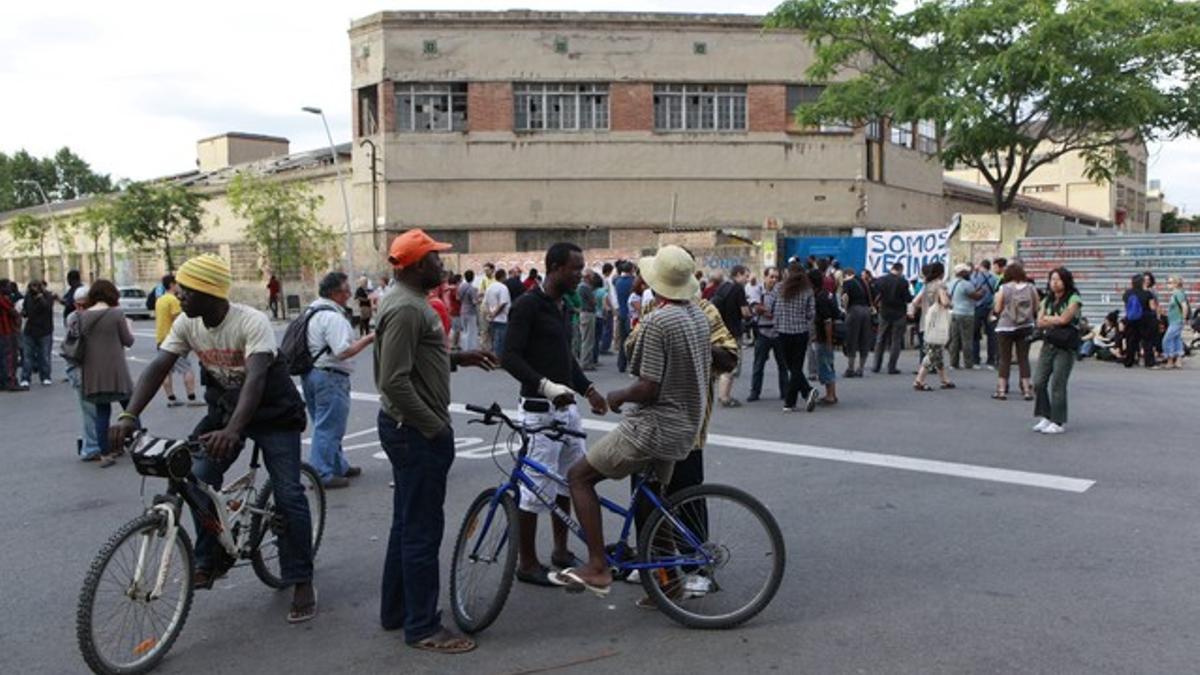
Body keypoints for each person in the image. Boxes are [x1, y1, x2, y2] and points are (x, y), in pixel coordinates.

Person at [109, 254, 316, 622]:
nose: (179, 296)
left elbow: (255, 381)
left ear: (210, 292)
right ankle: (209, 560)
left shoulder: (251, 322)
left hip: (273, 415)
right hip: (224, 412)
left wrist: (235, 431)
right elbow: (159, 366)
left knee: (288, 493)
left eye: (187, 290)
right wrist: (129, 414)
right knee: (196, 478)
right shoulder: (188, 324)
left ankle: (301, 578)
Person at [553, 245, 710, 595]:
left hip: (653, 426)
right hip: (685, 425)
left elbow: (648, 387)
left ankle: (596, 565)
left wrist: (616, 396)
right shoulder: (697, 315)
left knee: (578, 477)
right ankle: (666, 587)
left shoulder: (658, 321)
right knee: (655, 501)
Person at [374, 229, 497, 653]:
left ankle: (397, 611)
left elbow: (413, 358)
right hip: (415, 432)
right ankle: (423, 626)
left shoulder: (407, 302)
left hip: (409, 428)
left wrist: (456, 358)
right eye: (434, 259)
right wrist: (433, 425)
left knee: (406, 524)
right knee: (422, 531)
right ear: (414, 266)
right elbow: (393, 379)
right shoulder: (408, 308)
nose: (441, 265)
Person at [501, 243, 609, 587]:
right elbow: (510, 357)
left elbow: (566, 358)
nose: (580, 274)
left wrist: (588, 389)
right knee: (534, 492)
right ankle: (527, 562)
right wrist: (544, 385)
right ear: (555, 267)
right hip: (538, 411)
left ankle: (561, 551)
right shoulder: (527, 306)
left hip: (567, 411)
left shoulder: (564, 306)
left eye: (582, 268)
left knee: (571, 480)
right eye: (575, 268)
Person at [302, 272, 375, 488]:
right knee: (329, 427)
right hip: (330, 376)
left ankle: (337, 465)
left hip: (312, 373)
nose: (349, 294)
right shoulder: (332, 317)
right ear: (335, 293)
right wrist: (369, 339)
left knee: (325, 424)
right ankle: (321, 473)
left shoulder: (312, 310)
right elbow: (342, 350)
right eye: (346, 290)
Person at [71, 280, 136, 467]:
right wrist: (129, 328)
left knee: (102, 413)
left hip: (93, 374)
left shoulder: (82, 316)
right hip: (117, 373)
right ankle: (138, 444)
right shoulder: (116, 314)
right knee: (131, 409)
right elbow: (128, 340)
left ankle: (105, 453)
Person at [1032, 267, 1082, 434]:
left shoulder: (1073, 298)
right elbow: (1039, 321)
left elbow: (1065, 319)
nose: (1054, 283)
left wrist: (1049, 319)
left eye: (1058, 279)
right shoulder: (1047, 299)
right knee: (1039, 381)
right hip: (1049, 343)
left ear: (1066, 281)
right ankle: (1045, 415)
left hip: (1065, 346)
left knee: (1058, 384)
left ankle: (1058, 421)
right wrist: (1053, 320)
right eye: (1052, 279)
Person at [776, 263, 821, 412]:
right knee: (796, 366)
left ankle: (791, 401)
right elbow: (811, 314)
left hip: (783, 331)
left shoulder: (780, 288)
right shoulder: (807, 290)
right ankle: (806, 392)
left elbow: (776, 310)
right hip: (800, 332)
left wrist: (778, 325)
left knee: (791, 367)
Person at [990, 262, 1039, 401]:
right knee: (1023, 359)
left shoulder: (1003, 288)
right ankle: (1027, 390)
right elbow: (1037, 307)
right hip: (1026, 326)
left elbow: (998, 309)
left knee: (1004, 359)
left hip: (1005, 326)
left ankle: (1001, 390)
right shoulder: (1031, 288)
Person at [154, 274, 200, 407]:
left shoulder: (160, 300)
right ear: (172, 285)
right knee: (187, 368)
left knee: (165, 370)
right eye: (177, 284)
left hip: (161, 339)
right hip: (174, 340)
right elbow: (178, 320)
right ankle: (192, 398)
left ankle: (171, 398)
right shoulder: (173, 300)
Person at [912, 262, 954, 391]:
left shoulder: (926, 285)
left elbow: (915, 302)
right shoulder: (940, 285)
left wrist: (927, 308)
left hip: (926, 320)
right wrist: (948, 303)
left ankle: (944, 380)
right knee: (932, 352)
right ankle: (919, 380)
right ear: (941, 272)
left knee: (937, 351)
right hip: (937, 322)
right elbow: (945, 302)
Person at [713, 265, 751, 407]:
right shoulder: (738, 289)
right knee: (731, 365)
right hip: (734, 331)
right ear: (739, 274)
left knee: (725, 363)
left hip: (721, 331)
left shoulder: (723, 287)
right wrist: (751, 313)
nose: (747, 280)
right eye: (746, 276)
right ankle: (724, 397)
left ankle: (724, 395)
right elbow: (745, 312)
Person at [748, 267, 786, 402]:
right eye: (771, 277)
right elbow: (756, 307)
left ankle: (785, 392)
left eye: (776, 277)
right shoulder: (757, 290)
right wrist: (767, 312)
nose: (774, 280)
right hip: (763, 332)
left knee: (783, 365)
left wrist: (765, 311)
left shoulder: (781, 291)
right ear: (765, 277)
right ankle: (755, 392)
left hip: (779, 332)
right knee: (758, 365)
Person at [872, 262, 912, 374]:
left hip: (884, 312)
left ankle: (876, 365)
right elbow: (908, 298)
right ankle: (892, 366)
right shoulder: (903, 282)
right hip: (899, 313)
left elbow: (876, 294)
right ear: (900, 270)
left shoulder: (880, 280)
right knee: (896, 341)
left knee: (880, 339)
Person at [809, 269, 840, 404]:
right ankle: (831, 393)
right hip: (825, 335)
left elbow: (827, 320)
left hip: (823, 336)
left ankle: (830, 395)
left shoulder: (820, 298)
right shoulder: (828, 294)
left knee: (825, 364)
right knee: (828, 364)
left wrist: (828, 340)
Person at [19, 279, 56, 388]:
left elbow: (47, 308)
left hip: (45, 330)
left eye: (36, 286)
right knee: (27, 356)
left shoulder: (48, 296)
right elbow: (25, 312)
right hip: (30, 330)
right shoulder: (28, 297)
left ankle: (45, 377)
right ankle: (25, 378)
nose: (33, 289)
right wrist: (23, 312)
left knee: (44, 355)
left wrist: (40, 297)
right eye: (31, 287)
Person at [946, 263, 982, 370]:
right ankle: (968, 363)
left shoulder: (950, 283)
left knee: (954, 339)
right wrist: (982, 292)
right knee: (967, 339)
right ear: (962, 273)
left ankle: (953, 363)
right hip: (967, 313)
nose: (969, 273)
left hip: (954, 312)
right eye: (967, 272)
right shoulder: (967, 284)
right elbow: (975, 296)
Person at [839, 267, 874, 377]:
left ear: (846, 274)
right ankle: (861, 368)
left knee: (852, 339)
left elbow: (845, 297)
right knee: (864, 340)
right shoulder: (864, 282)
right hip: (866, 312)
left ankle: (850, 368)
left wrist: (845, 308)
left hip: (854, 311)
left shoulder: (847, 282)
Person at [1122, 274, 1157, 369]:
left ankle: (1128, 361)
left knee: (1131, 341)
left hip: (1131, 319)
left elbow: (1126, 306)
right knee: (1147, 341)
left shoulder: (1127, 293)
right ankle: (1149, 362)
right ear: (1142, 282)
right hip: (1145, 320)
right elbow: (1152, 307)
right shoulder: (1147, 293)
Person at [971, 260, 999, 368]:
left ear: (981, 266)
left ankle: (976, 360)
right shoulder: (994, 278)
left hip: (978, 308)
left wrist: (974, 272)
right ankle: (991, 360)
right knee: (991, 335)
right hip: (990, 308)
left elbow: (971, 286)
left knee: (976, 335)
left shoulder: (976, 277)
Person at [1162, 276, 1189, 369]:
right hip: (1173, 321)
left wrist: (1184, 319)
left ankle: (1170, 360)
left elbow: (1184, 306)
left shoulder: (1178, 293)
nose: (1168, 284)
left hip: (1177, 321)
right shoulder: (1175, 294)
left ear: (1176, 283)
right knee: (1176, 340)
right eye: (1168, 282)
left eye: (1170, 282)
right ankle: (1178, 361)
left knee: (1167, 340)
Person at [613, 261, 636, 372]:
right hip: (630, 314)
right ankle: (633, 365)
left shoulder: (617, 281)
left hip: (621, 312)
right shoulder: (633, 282)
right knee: (632, 341)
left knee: (623, 339)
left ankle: (621, 364)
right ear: (631, 269)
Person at [484, 268, 512, 355]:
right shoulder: (503, 288)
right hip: (502, 318)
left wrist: (490, 314)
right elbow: (503, 303)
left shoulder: (490, 288)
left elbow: (486, 302)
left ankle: (495, 357)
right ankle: (498, 359)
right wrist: (494, 314)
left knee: (495, 339)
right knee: (501, 341)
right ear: (503, 277)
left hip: (493, 319)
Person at [0, 279, 20, 391]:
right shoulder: (3, 299)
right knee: (10, 357)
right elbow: (12, 312)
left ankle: (3, 381)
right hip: (6, 331)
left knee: (3, 357)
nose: (10, 288)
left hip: (4, 332)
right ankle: (10, 381)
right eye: (7, 286)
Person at [576, 271, 599, 370]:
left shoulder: (580, 286)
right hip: (588, 313)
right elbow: (593, 302)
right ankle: (585, 363)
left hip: (583, 313)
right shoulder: (585, 287)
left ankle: (585, 361)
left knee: (585, 338)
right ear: (588, 277)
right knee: (588, 340)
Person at [458, 270, 480, 351]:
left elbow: (459, 298)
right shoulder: (472, 288)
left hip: (462, 310)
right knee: (471, 331)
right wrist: (479, 299)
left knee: (464, 331)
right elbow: (474, 301)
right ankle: (470, 348)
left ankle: (464, 347)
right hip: (471, 312)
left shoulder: (461, 287)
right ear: (473, 277)